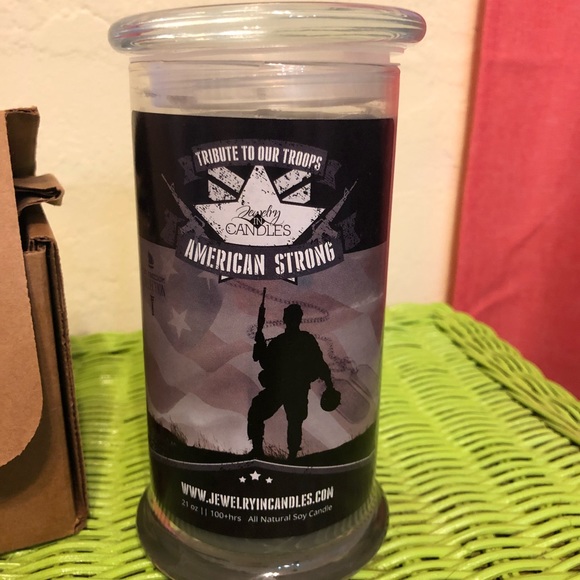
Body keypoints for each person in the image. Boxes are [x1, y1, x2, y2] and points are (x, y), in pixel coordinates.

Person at [248, 303, 335, 460]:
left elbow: (319, 364)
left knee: (293, 420)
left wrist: (330, 386)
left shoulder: (296, 341)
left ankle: (289, 455)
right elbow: (265, 362)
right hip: (284, 387)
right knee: (264, 412)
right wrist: (260, 343)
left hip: (290, 388)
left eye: (289, 316)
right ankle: (261, 451)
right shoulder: (290, 341)